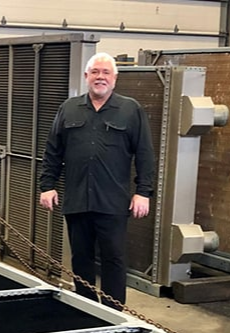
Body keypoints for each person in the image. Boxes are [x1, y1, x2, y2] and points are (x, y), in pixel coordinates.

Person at [39, 52, 155, 307]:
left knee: (114, 258)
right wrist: (47, 186)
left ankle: (115, 313)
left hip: (113, 201)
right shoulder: (69, 108)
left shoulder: (130, 110)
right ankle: (87, 308)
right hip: (78, 198)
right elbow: (53, 151)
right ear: (86, 77)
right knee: (81, 258)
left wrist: (143, 192)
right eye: (95, 72)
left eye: (105, 73)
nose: (100, 77)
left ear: (115, 78)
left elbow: (145, 153)